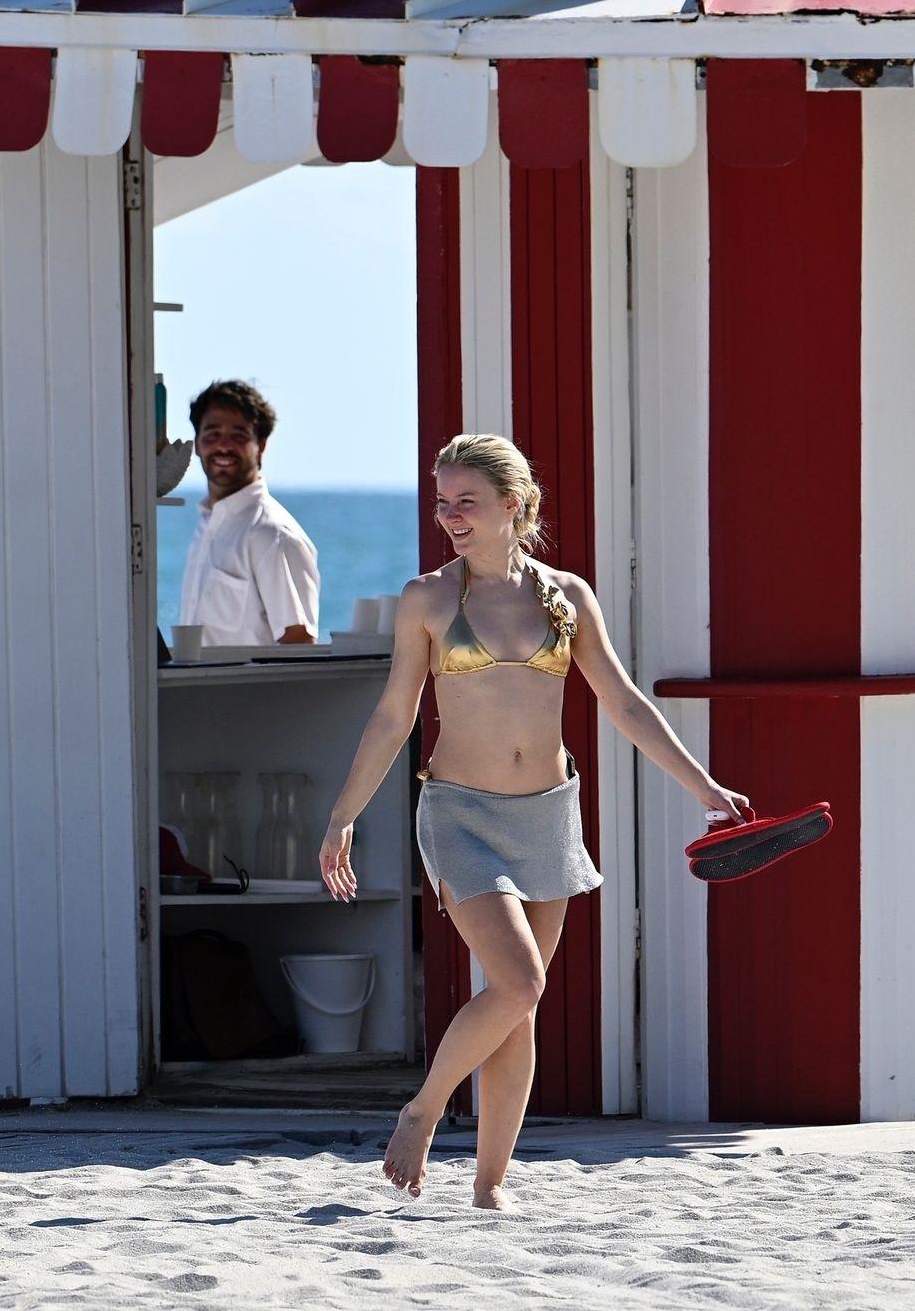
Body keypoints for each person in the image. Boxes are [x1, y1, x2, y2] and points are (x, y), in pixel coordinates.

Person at [317, 434, 751, 1212]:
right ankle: (423, 1110)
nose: (449, 516)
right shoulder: (428, 599)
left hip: (548, 815)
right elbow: (393, 715)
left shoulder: (567, 595)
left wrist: (705, 785)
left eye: (466, 501)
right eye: (442, 502)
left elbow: (623, 702)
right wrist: (343, 814)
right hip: (460, 814)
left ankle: (489, 1185)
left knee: (517, 1001)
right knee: (521, 978)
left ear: (513, 504)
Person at [177, 380, 320, 647]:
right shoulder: (208, 525)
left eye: (239, 435)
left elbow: (299, 641)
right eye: (212, 434)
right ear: (197, 444)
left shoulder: (272, 534)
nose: (224, 446)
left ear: (261, 446)